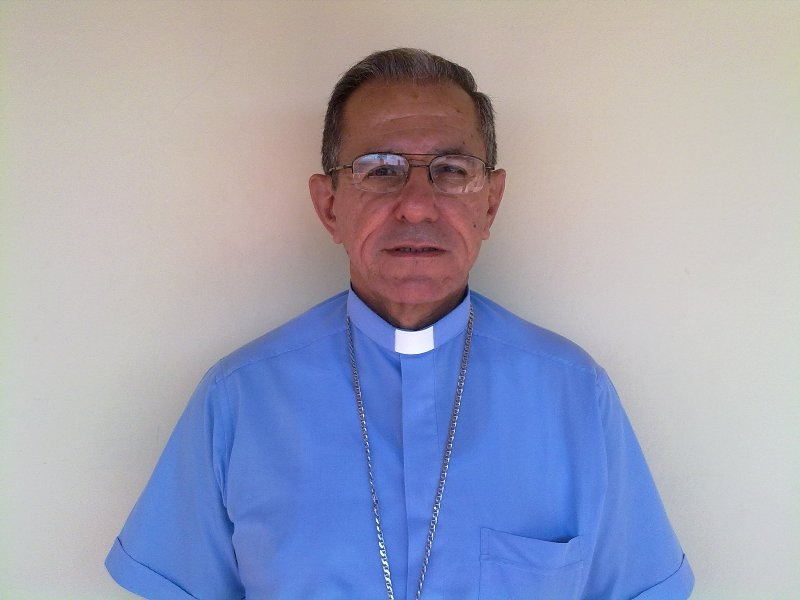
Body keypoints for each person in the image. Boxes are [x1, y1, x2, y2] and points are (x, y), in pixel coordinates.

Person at [106, 48, 694, 599]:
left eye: (451, 170)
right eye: (380, 169)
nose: (416, 205)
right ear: (329, 205)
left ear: (490, 202)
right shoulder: (239, 398)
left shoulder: (574, 394)